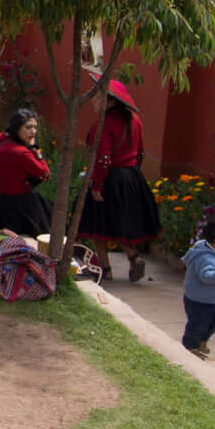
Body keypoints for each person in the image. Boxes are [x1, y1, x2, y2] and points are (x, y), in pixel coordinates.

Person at [78, 81, 161, 281]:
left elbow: (102, 157)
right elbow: (140, 152)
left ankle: (105, 270)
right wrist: (132, 176)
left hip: (108, 177)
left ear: (109, 101)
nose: (93, 102)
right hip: (131, 175)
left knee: (98, 225)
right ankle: (133, 256)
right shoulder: (135, 120)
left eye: (97, 98)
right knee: (119, 220)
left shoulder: (103, 124)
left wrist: (97, 185)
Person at [0, 107, 54, 239]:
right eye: (28, 127)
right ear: (17, 128)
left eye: (35, 127)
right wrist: (36, 149)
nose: (33, 132)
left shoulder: (0, 137)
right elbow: (45, 174)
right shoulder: (20, 152)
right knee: (51, 216)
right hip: (17, 206)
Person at [182, 218, 215, 359]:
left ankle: (202, 340)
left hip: (212, 299)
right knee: (197, 325)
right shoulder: (205, 257)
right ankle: (189, 346)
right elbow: (206, 277)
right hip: (198, 300)